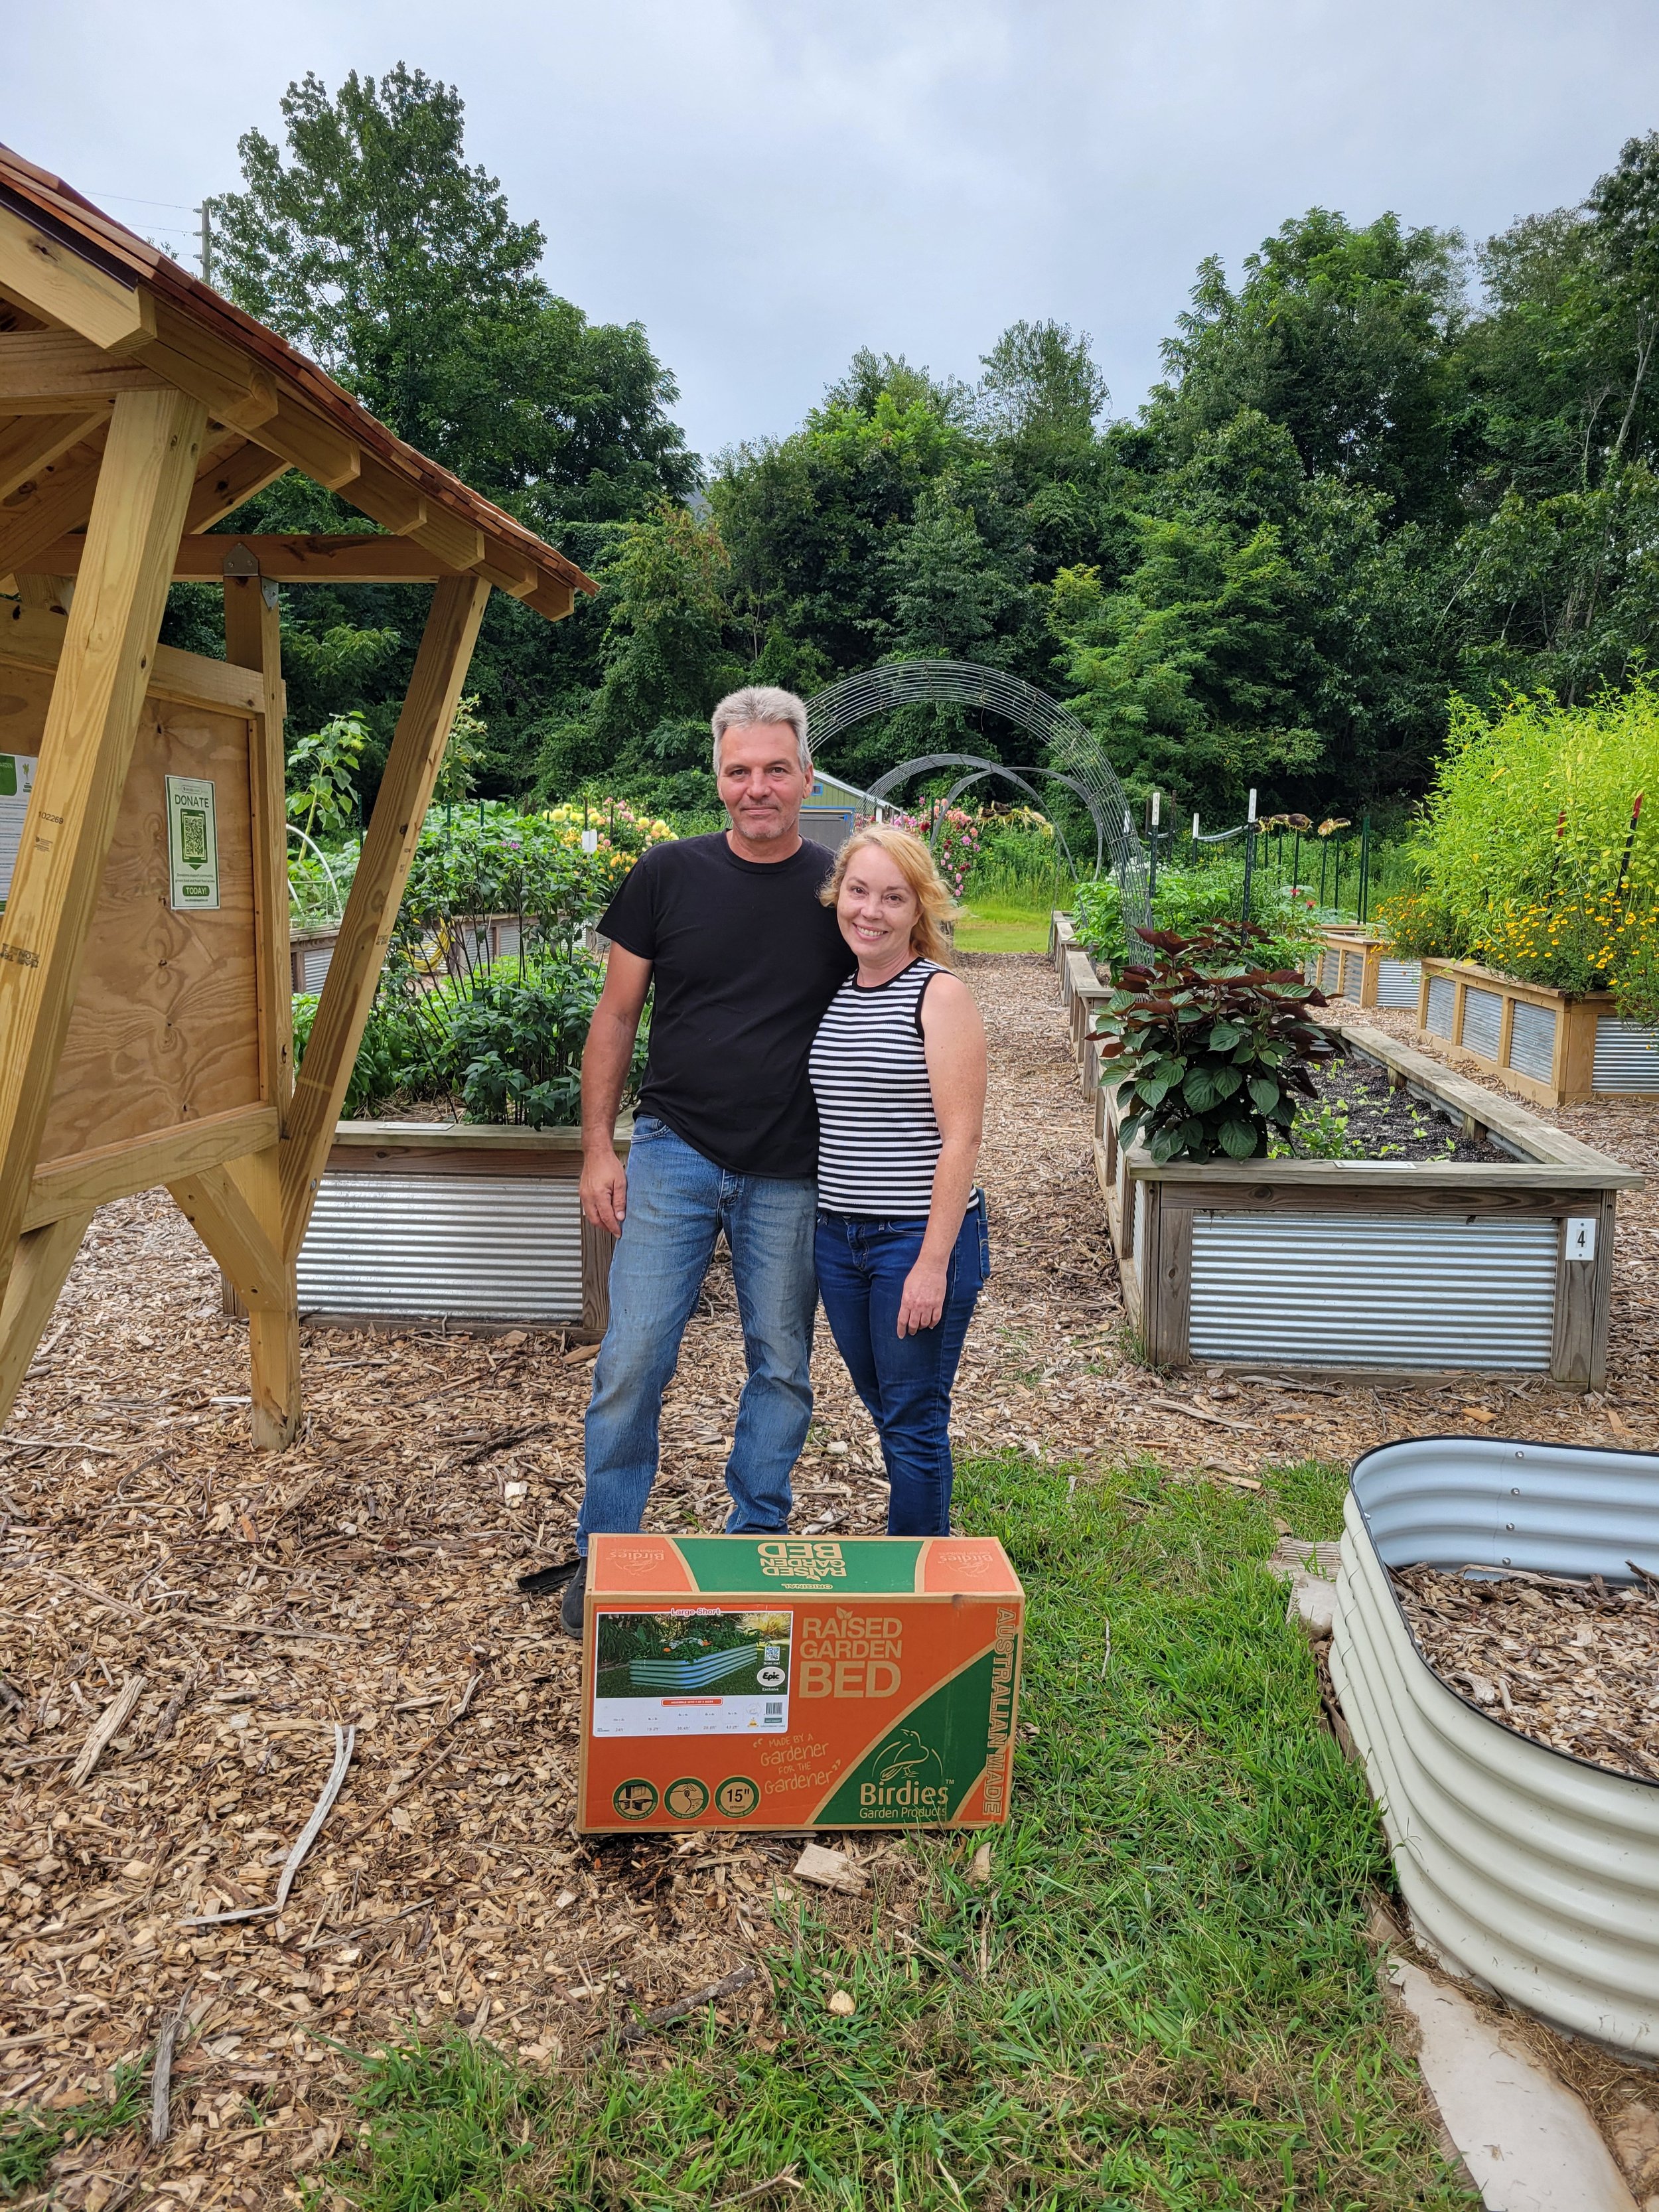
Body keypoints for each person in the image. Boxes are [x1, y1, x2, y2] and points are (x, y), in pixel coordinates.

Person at [561, 686, 855, 1636]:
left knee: (781, 1363)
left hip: (792, 1169)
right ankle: (606, 1553)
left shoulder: (836, 888)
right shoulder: (665, 876)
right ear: (717, 777)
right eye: (740, 771)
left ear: (806, 777)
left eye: (776, 769)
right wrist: (598, 1148)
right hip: (675, 1152)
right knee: (633, 1355)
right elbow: (616, 1016)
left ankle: (754, 1543)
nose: (757, 787)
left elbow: (904, 1000)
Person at [808, 825, 989, 1536]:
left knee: (912, 1417)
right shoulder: (837, 993)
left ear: (919, 909)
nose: (870, 912)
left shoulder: (937, 996)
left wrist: (930, 1265)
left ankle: (919, 1575)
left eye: (892, 897)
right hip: (838, 1239)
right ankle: (925, 1544)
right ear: (837, 896)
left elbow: (961, 1139)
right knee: (886, 1402)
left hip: (913, 1241)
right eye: (858, 892)